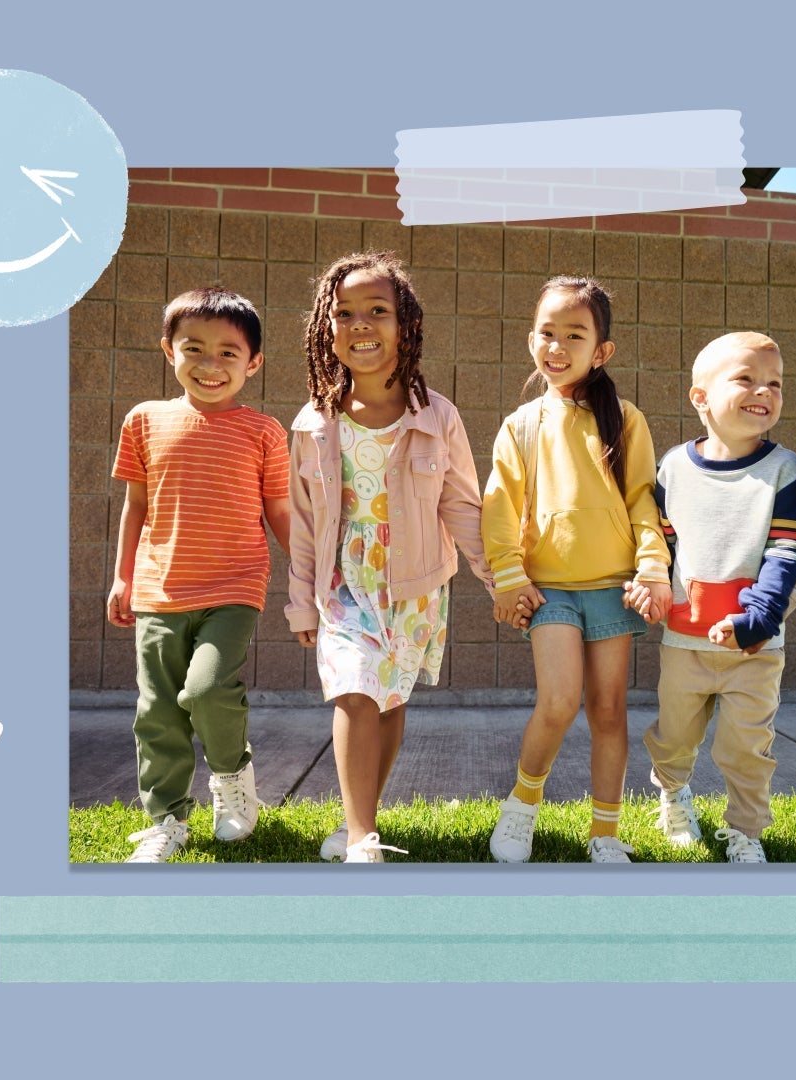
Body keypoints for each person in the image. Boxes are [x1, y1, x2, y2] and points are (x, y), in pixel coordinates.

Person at [286, 252, 497, 864]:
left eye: (377, 311)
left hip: (415, 582)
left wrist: (498, 578)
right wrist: (301, 601)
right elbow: (304, 522)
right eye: (345, 312)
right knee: (355, 691)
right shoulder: (313, 423)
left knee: (391, 698)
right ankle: (361, 839)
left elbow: (462, 506)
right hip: (342, 582)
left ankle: (360, 816)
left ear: (405, 324)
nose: (360, 324)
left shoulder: (437, 416)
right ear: (328, 328)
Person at [481, 276, 671, 864]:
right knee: (559, 702)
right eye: (547, 332)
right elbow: (500, 505)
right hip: (549, 592)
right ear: (531, 338)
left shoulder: (627, 419)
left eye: (574, 334)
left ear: (602, 351)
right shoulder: (521, 425)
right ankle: (521, 807)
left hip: (614, 589)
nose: (557, 346)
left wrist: (653, 568)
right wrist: (509, 576)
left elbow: (643, 498)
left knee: (610, 711)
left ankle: (605, 833)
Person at [107, 287, 292, 863]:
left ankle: (233, 777)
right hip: (158, 590)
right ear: (169, 351)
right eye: (194, 349)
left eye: (228, 353)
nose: (211, 365)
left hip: (234, 589)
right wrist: (121, 577)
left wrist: (311, 576)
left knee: (207, 690)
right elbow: (136, 506)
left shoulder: (264, 432)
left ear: (253, 362)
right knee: (158, 708)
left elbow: (279, 512)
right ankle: (166, 819)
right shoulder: (145, 420)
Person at [643, 333, 796, 863]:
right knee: (674, 739)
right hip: (683, 643)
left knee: (746, 749)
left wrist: (758, 620)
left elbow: (786, 553)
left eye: (775, 383)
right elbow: (661, 543)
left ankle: (746, 832)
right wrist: (647, 583)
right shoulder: (672, 468)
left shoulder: (786, 470)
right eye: (745, 378)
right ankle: (672, 793)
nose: (764, 390)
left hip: (753, 649)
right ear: (700, 398)